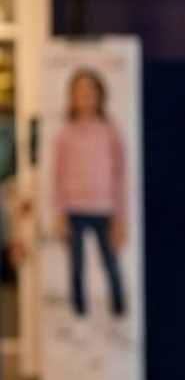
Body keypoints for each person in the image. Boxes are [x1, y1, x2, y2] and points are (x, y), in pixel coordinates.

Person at [52, 69, 128, 320]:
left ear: (99, 94)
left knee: (110, 263)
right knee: (76, 266)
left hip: (104, 208)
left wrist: (120, 216)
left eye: (90, 90)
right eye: (80, 91)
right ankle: (79, 313)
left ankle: (118, 309)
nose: (85, 96)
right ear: (71, 97)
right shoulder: (65, 133)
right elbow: (57, 176)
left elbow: (120, 175)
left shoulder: (110, 131)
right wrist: (59, 213)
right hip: (74, 208)